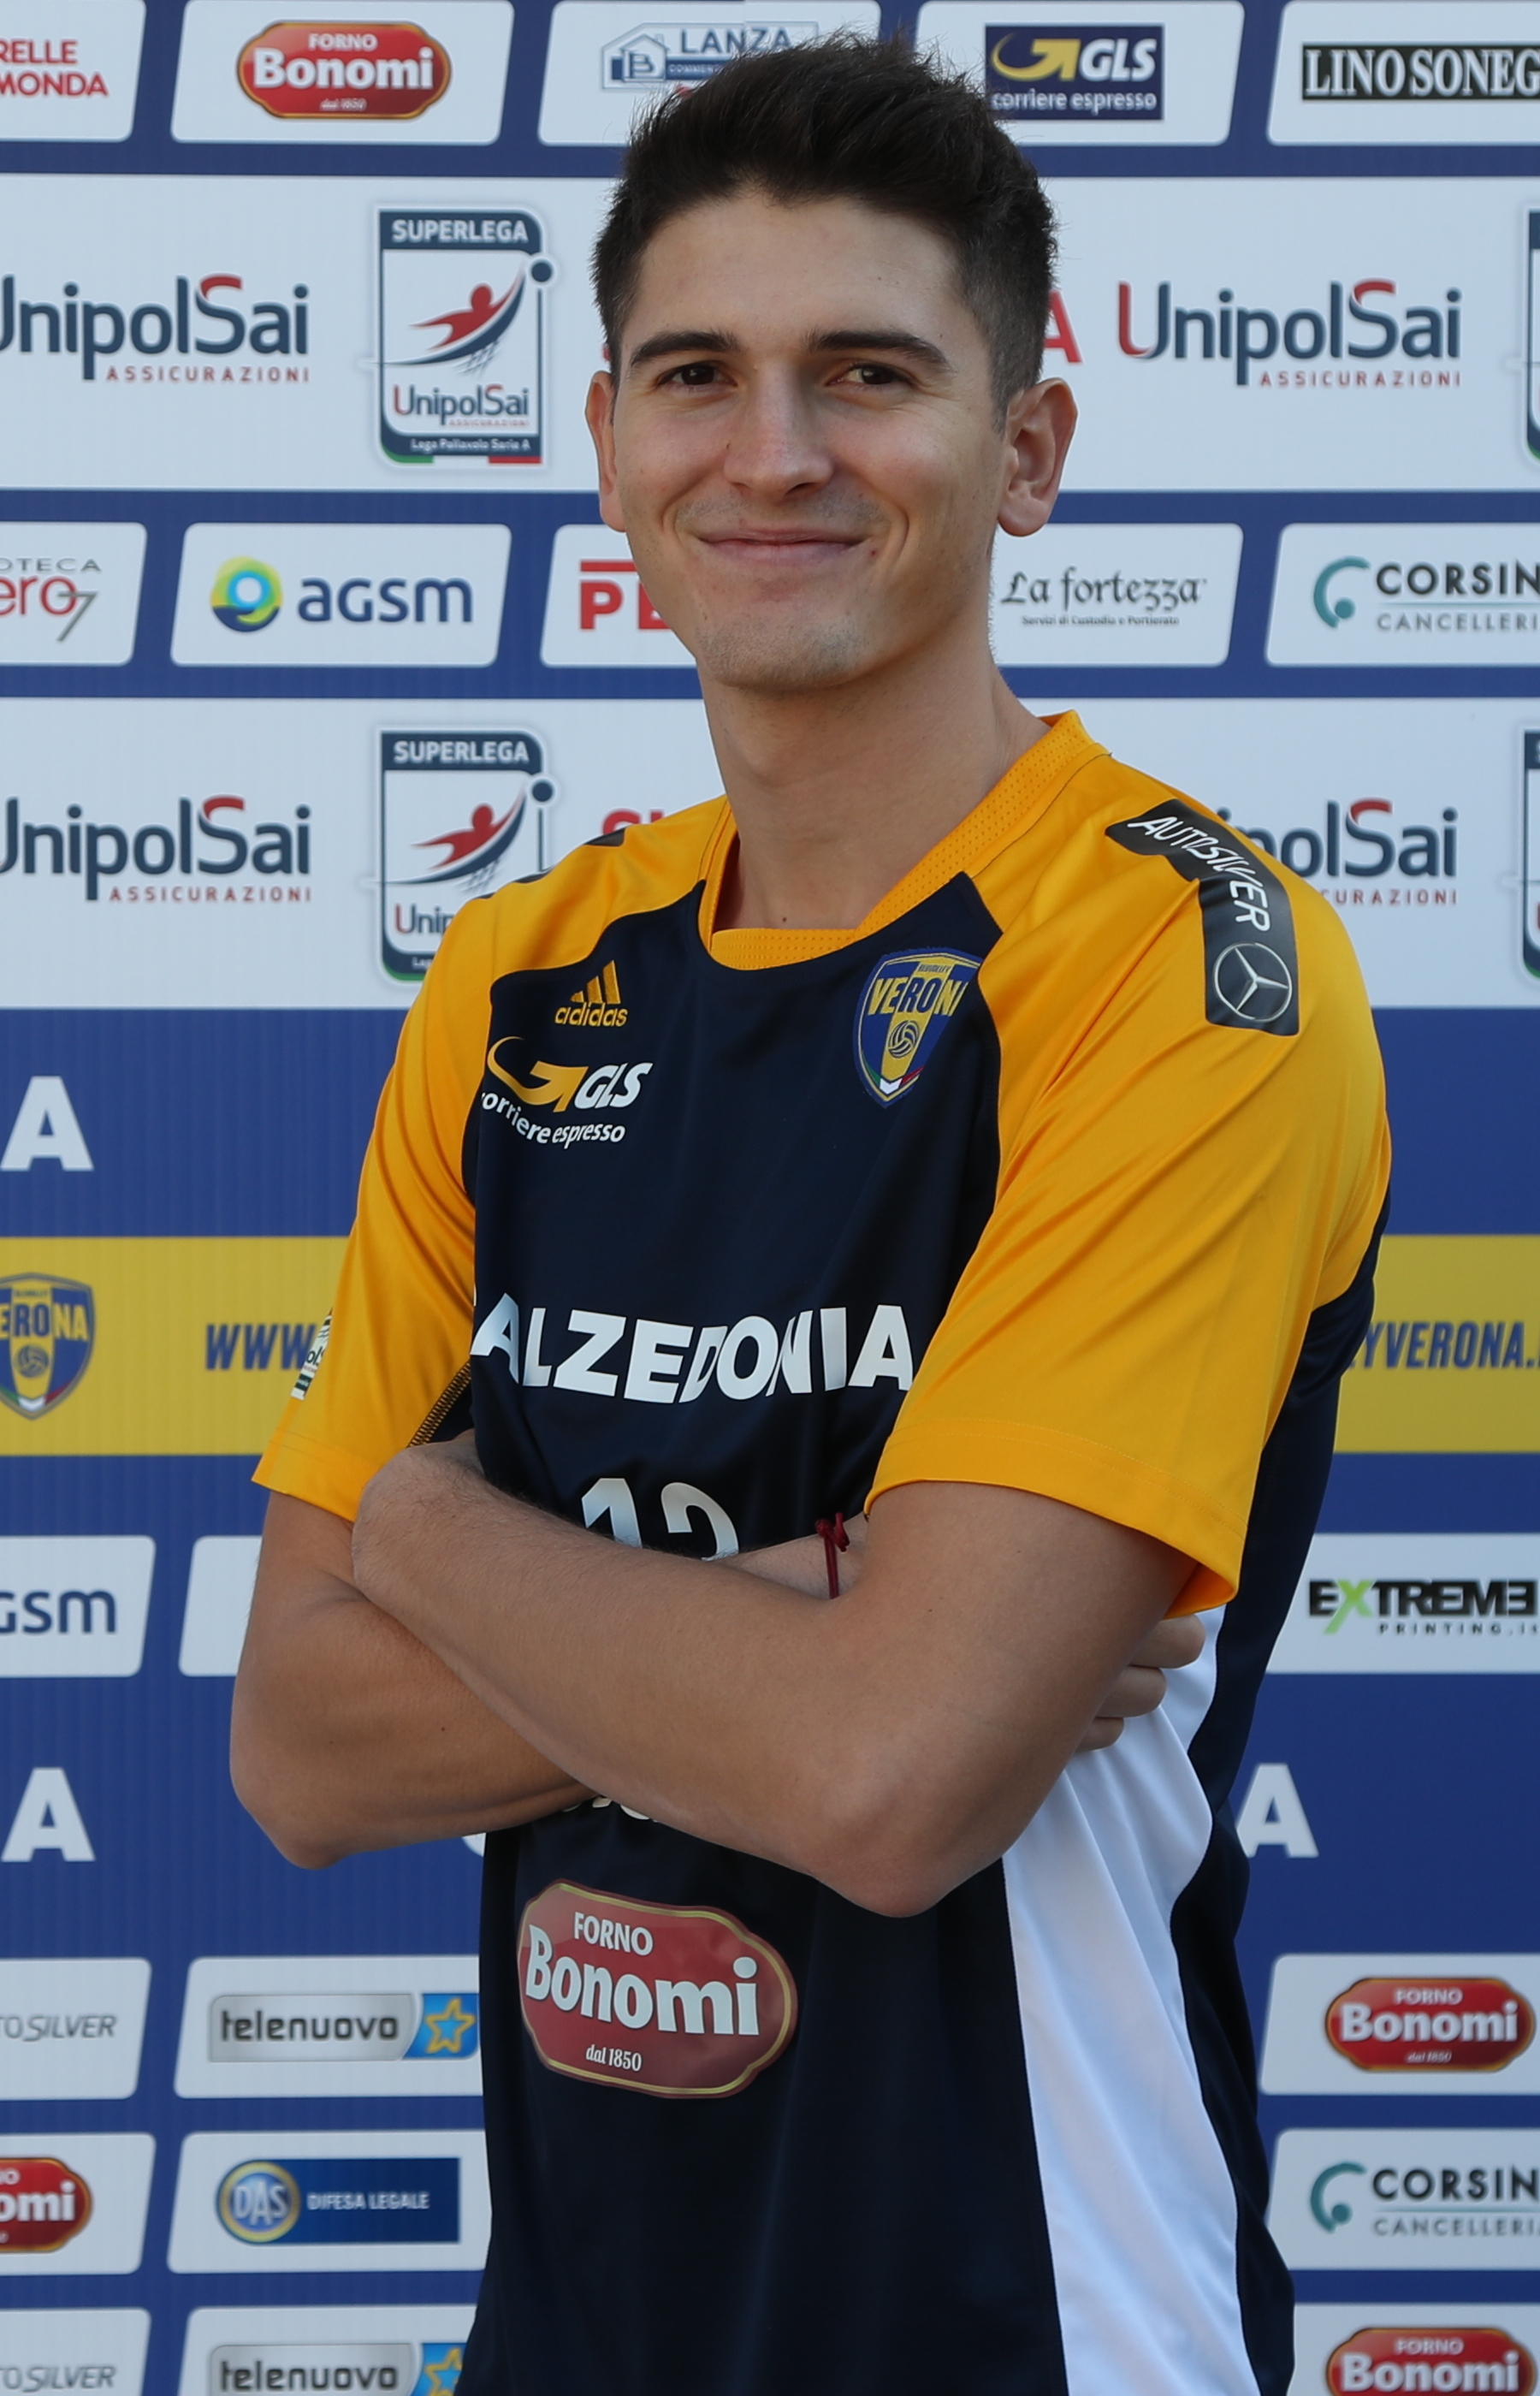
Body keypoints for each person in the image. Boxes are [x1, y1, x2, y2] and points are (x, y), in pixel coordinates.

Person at [237, 36, 1389, 2396]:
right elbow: (300, 1748)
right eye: (698, 375)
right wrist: (804, 1607)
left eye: (868, 373)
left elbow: (891, 1785)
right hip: (582, 2326)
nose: (771, 452)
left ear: (1027, 450)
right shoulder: (524, 973)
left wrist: (431, 1537)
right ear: (608, 447)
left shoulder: (1177, 956)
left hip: (1033, 2317)